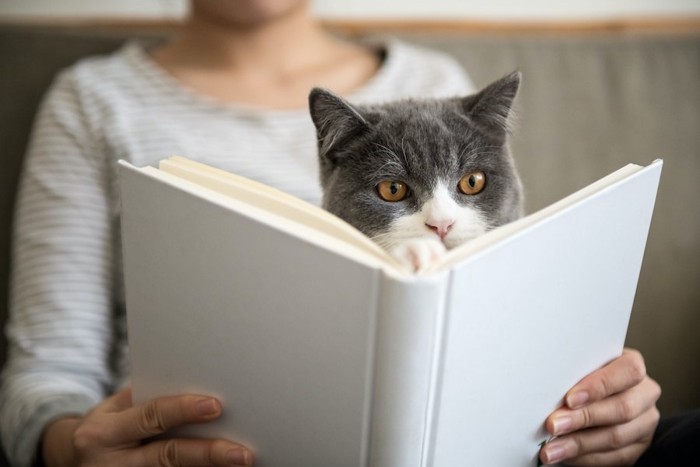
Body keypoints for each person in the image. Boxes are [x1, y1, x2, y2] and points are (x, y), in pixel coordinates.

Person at [0, 1, 662, 466]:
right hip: (200, 443)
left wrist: (591, 400)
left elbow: (510, 300)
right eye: (398, 189)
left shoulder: (437, 88)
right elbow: (47, 370)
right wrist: (73, 446)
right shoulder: (93, 100)